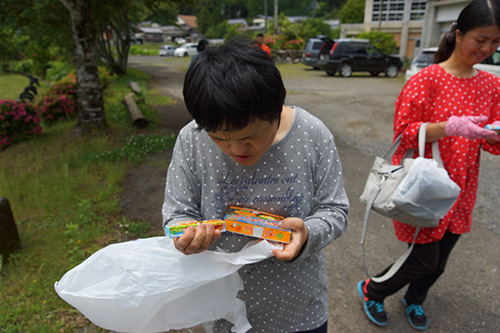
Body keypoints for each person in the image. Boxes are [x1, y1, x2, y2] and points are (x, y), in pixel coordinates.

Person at [162, 38, 349, 332]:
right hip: (224, 310)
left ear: (276, 111)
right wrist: (186, 234)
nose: (236, 149)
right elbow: (177, 213)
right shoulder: (192, 139)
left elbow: (335, 209)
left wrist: (307, 233)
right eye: (220, 138)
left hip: (299, 310)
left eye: (252, 135)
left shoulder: (312, 134)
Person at [357, 0, 500, 330]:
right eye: (481, 40)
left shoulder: (492, 86)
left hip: (462, 187)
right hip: (424, 187)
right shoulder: (425, 80)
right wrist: (448, 126)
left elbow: (491, 143)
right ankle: (372, 289)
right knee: (423, 258)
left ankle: (414, 299)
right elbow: (404, 134)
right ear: (459, 34)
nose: (488, 49)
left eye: (495, 42)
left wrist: (491, 136)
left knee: (439, 263)